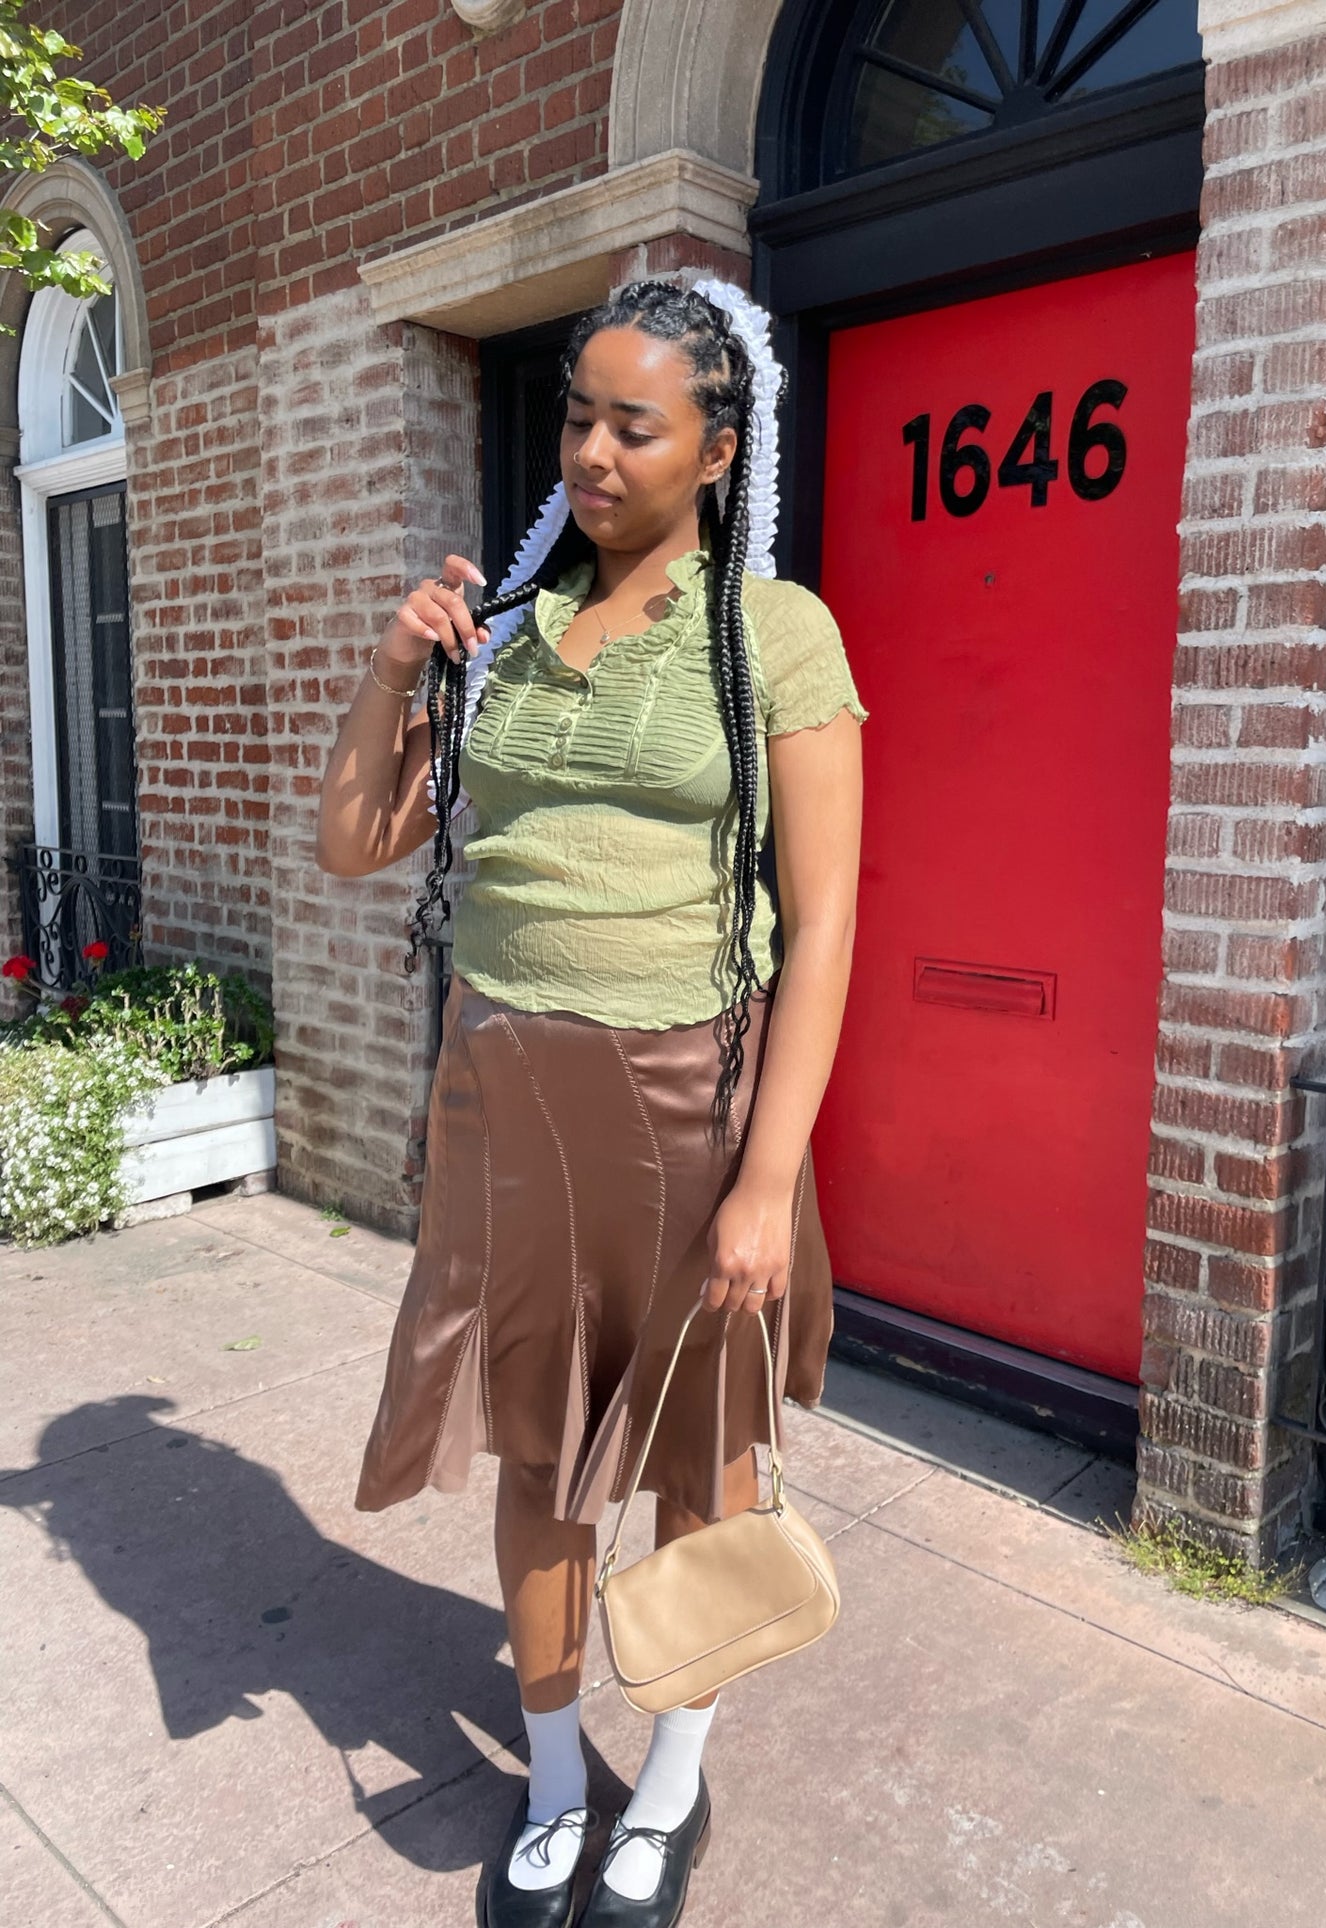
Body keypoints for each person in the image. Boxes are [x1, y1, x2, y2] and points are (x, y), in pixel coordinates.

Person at [315, 277, 867, 1928]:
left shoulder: (775, 632)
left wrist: (768, 1185)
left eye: (637, 422)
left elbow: (828, 920)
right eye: (577, 415)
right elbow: (357, 842)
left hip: (690, 1102)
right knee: (539, 1461)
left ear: (714, 448)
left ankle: (670, 1795)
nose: (597, 449)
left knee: (696, 1460)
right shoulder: (502, 634)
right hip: (502, 1094)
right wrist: (391, 664)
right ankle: (558, 1781)